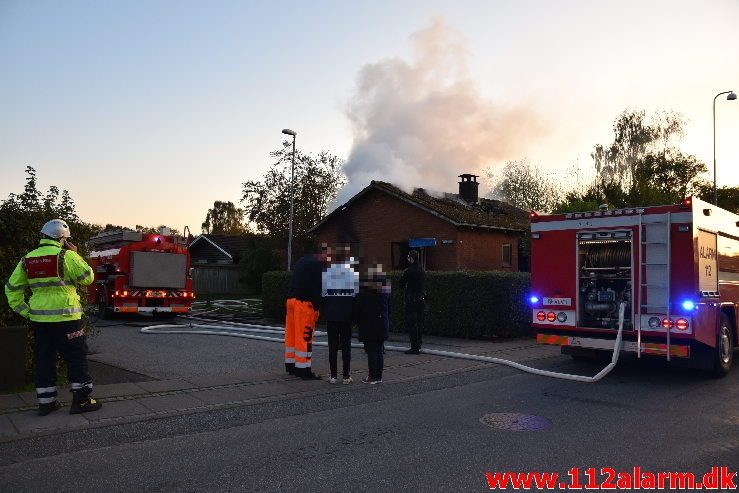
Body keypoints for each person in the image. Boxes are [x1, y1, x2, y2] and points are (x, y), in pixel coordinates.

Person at [4, 219, 102, 416]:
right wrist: (75, 254)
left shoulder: (27, 259)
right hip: (68, 320)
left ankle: (46, 402)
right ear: (63, 239)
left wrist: (28, 312)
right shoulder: (67, 256)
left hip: (40, 322)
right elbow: (87, 278)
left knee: (44, 359)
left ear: (43, 236)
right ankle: (81, 400)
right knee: (76, 357)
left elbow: (11, 290)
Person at [284, 246, 326, 380]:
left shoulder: (302, 261)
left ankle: (291, 365)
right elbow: (317, 288)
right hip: (304, 305)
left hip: (291, 301)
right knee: (305, 337)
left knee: (292, 336)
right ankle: (303, 370)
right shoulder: (317, 265)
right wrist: (317, 307)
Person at [321, 244, 359, 384]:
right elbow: (355, 296)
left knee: (332, 346)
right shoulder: (352, 274)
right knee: (346, 346)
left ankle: (333, 375)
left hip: (331, 315)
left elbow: (323, 295)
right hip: (346, 315)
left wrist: (327, 310)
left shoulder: (327, 273)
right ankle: (347, 375)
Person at [355, 265, 391, 384]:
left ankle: (372, 376)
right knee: (379, 350)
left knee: (371, 350)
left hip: (369, 323)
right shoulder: (386, 290)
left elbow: (359, 307)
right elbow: (389, 307)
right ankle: (379, 376)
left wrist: (357, 320)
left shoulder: (365, 290)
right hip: (382, 322)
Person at [399, 249, 425, 354]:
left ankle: (414, 347)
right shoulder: (422, 270)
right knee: (419, 322)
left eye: (408, 257)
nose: (407, 259)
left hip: (411, 299)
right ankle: (419, 344)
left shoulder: (409, 271)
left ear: (412, 258)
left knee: (412, 323)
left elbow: (401, 284)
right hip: (421, 298)